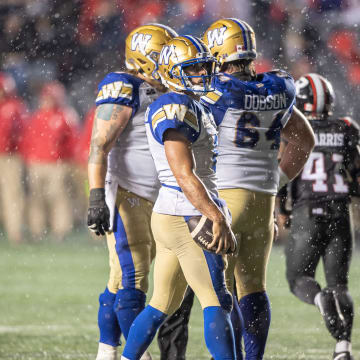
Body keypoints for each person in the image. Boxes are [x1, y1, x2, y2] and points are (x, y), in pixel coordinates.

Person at [200, 18, 316, 359]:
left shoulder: (215, 91)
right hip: (263, 202)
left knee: (217, 295)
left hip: (224, 201)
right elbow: (304, 140)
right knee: (252, 289)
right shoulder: (276, 88)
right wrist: (277, 183)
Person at [120, 35, 237, 360]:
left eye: (203, 66)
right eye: (192, 68)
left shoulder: (189, 102)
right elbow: (184, 174)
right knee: (217, 300)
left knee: (161, 304)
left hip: (172, 212)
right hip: (189, 213)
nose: (201, 73)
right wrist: (215, 215)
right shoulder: (175, 106)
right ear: (171, 71)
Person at [86, 24, 178, 360]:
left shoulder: (163, 86)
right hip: (127, 191)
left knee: (118, 277)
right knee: (134, 275)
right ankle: (137, 355)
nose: (169, 61)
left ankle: (106, 350)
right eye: (163, 54)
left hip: (154, 194)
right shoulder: (123, 85)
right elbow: (100, 144)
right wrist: (97, 195)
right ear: (144, 58)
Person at [278, 73, 360, 360]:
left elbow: (284, 171)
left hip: (307, 212)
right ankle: (343, 348)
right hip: (340, 212)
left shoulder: (295, 128)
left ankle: (319, 298)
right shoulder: (347, 128)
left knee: (299, 278)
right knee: (340, 285)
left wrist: (281, 210)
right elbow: (357, 174)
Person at [20, 80, 78, 241]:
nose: (46, 100)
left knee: (58, 197)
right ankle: (37, 230)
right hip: (36, 163)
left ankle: (60, 230)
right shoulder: (36, 116)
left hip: (57, 164)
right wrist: (27, 158)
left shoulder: (65, 115)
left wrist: (68, 162)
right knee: (36, 198)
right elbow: (28, 139)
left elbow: (72, 141)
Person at [0, 71, 28, 244]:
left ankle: (14, 233)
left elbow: (22, 133)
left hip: (9, 158)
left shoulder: (14, 106)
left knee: (12, 195)